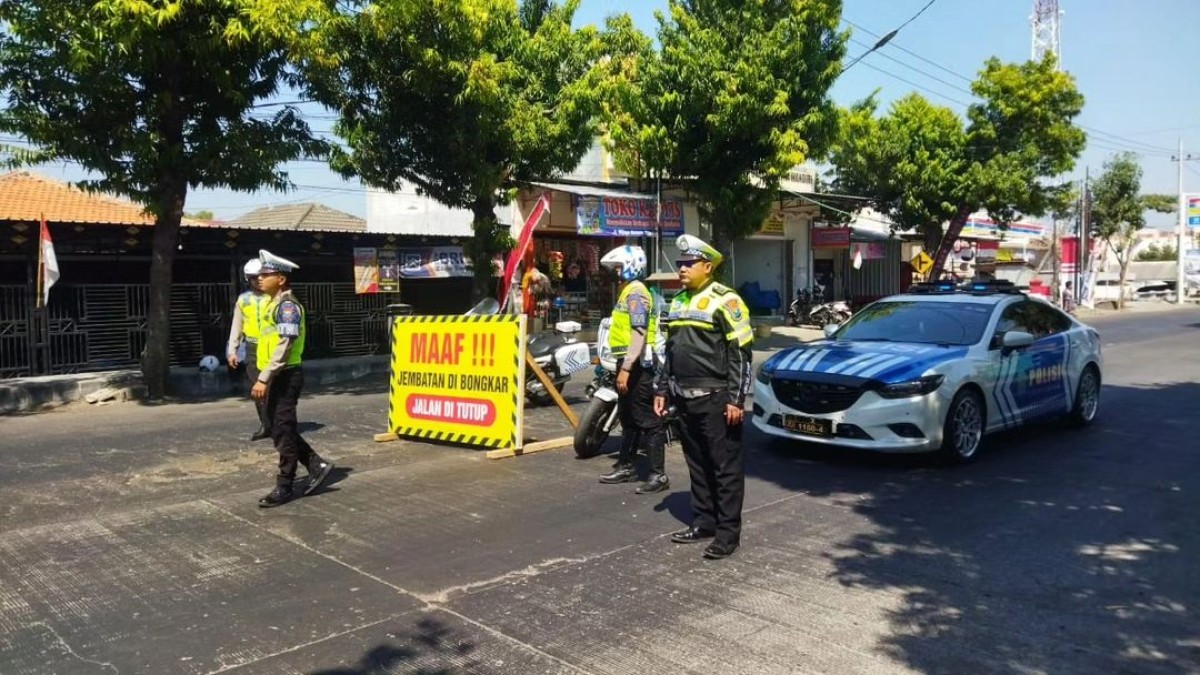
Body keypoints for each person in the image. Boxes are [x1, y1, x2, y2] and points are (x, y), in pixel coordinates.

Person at [654, 235, 754, 560]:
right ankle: (704, 522)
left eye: (688, 264)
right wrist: (660, 389)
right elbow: (667, 351)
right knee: (696, 465)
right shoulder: (678, 301)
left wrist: (737, 399)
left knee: (724, 467)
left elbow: (740, 352)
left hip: (716, 398)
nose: (681, 268)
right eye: (680, 263)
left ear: (707, 267)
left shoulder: (726, 301)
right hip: (683, 398)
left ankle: (728, 534)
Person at [251, 250, 334, 508]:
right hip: (275, 374)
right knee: (280, 429)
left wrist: (264, 378)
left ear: (282, 278)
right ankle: (316, 464)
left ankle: (284, 485)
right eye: (259, 275)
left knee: (283, 430)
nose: (259, 279)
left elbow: (285, 346)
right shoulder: (271, 304)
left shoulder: (288, 307)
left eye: (266, 275)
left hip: (285, 375)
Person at [597, 245, 669, 494]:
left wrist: (627, 367)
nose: (615, 273)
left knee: (647, 419)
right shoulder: (629, 291)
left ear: (629, 267)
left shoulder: (636, 293)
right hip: (628, 362)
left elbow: (638, 333)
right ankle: (626, 466)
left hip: (638, 364)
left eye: (618, 268)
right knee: (628, 418)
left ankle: (658, 475)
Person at [227, 258, 273, 441]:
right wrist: (233, 350)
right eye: (254, 277)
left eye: (262, 276)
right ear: (248, 279)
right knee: (257, 389)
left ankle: (277, 423)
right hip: (253, 347)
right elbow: (236, 326)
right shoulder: (243, 300)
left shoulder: (275, 297)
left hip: (272, 347)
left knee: (273, 388)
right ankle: (265, 424)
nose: (258, 280)